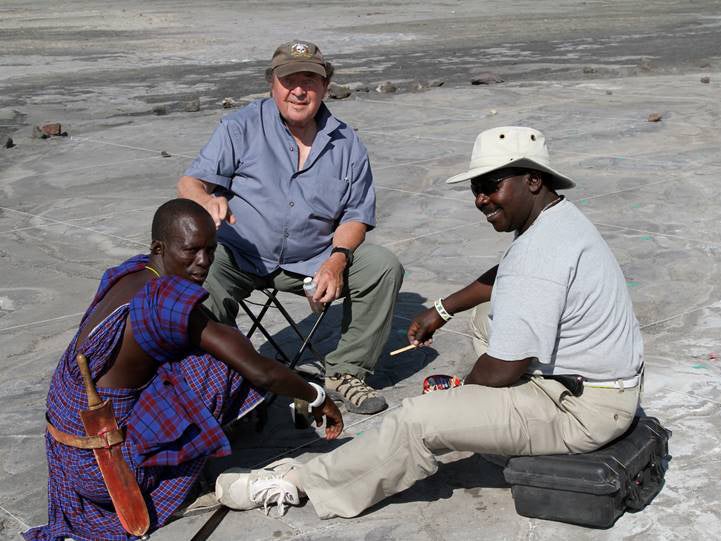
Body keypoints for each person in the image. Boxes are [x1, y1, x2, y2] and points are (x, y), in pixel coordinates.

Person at [211, 126, 645, 519]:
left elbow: (503, 367)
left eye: (491, 185)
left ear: (533, 180)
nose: (481, 199)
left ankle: (302, 483)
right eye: (476, 188)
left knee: (421, 419)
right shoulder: (555, 221)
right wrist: (442, 309)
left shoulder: (541, 256)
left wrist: (459, 402)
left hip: (579, 410)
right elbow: (506, 276)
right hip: (597, 387)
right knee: (486, 318)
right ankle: (496, 424)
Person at [23, 199, 342, 541]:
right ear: (159, 247)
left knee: (200, 353)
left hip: (67, 454)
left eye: (210, 250)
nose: (203, 262)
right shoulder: (164, 300)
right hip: (107, 474)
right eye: (191, 250)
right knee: (224, 364)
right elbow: (260, 371)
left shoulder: (130, 273)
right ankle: (177, 474)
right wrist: (314, 394)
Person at [177, 39, 403, 415]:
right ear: (273, 84)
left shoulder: (347, 143)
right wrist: (205, 200)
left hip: (311, 258)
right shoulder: (241, 125)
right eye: (289, 80)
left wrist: (336, 261)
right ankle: (218, 378)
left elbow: (355, 216)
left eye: (311, 81)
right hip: (239, 253)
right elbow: (191, 183)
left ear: (325, 87)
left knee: (382, 266)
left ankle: (346, 372)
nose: (300, 90)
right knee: (201, 277)